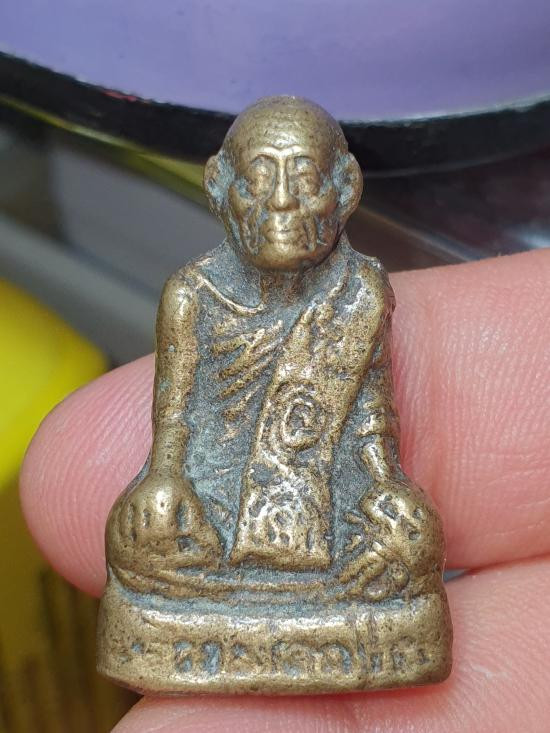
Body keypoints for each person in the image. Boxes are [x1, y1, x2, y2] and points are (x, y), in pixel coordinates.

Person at [20, 195, 550, 726]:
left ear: (344, 191)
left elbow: (372, 415)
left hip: (330, 519)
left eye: (302, 180)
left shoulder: (357, 293)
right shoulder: (193, 294)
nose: (281, 200)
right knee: (145, 532)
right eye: (260, 181)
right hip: (214, 519)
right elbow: (174, 416)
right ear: (221, 189)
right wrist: (163, 482)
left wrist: (387, 487)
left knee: (411, 537)